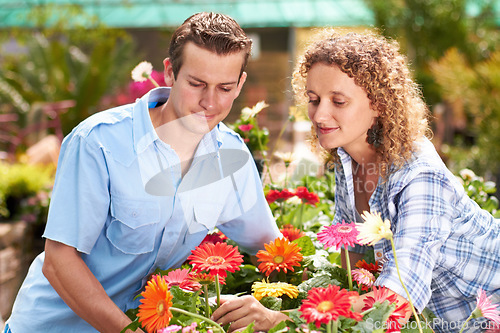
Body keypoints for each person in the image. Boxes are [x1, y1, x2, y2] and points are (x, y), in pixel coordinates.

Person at [4, 12, 281, 333]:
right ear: (169, 73)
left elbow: (270, 249)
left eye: (224, 88)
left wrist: (283, 309)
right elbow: (59, 261)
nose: (209, 102)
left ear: (240, 85)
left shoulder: (231, 157)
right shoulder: (98, 142)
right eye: (196, 84)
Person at [215, 29, 500, 333]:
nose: (320, 115)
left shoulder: (421, 178)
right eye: (313, 99)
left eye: (338, 101)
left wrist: (282, 319)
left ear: (378, 104)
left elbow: (394, 306)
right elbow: (349, 255)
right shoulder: (348, 157)